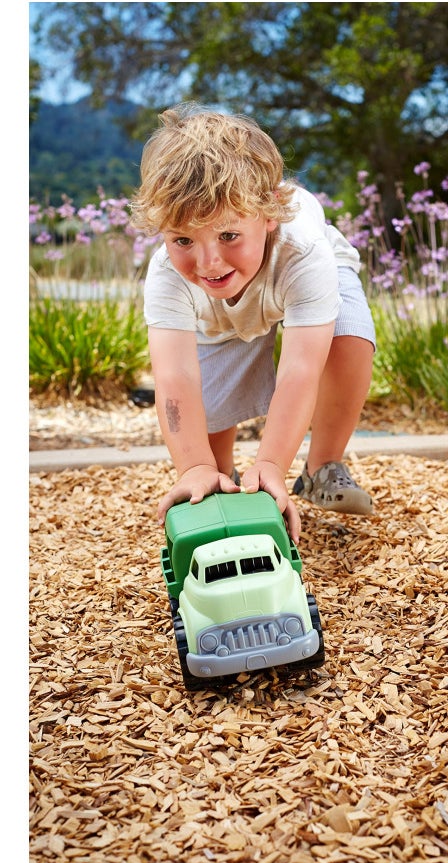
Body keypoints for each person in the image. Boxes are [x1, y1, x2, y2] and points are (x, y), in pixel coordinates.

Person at [130, 104, 376, 544]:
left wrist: (272, 465)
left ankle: (322, 467)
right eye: (183, 239)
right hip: (217, 310)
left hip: (298, 277)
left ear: (268, 215)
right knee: (211, 423)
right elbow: (175, 376)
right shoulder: (170, 272)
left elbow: (301, 369)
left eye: (228, 235)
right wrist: (195, 468)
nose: (208, 261)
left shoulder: (303, 251)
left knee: (349, 338)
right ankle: (220, 473)